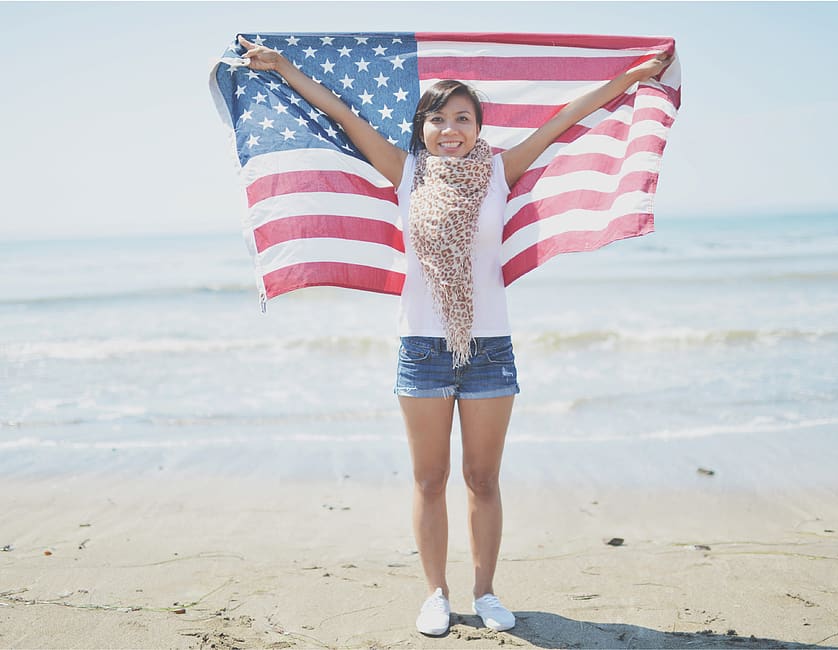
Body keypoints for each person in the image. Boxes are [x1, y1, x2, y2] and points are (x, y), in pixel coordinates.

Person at [238, 34, 671, 637]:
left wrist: (631, 78)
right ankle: (436, 594)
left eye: (462, 119)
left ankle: (486, 592)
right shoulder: (406, 169)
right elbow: (341, 112)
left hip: (490, 345)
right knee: (429, 479)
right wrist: (282, 67)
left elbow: (569, 116)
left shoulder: (500, 170)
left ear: (478, 128)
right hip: (422, 348)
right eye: (438, 119)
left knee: (483, 479)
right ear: (423, 128)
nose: (450, 129)